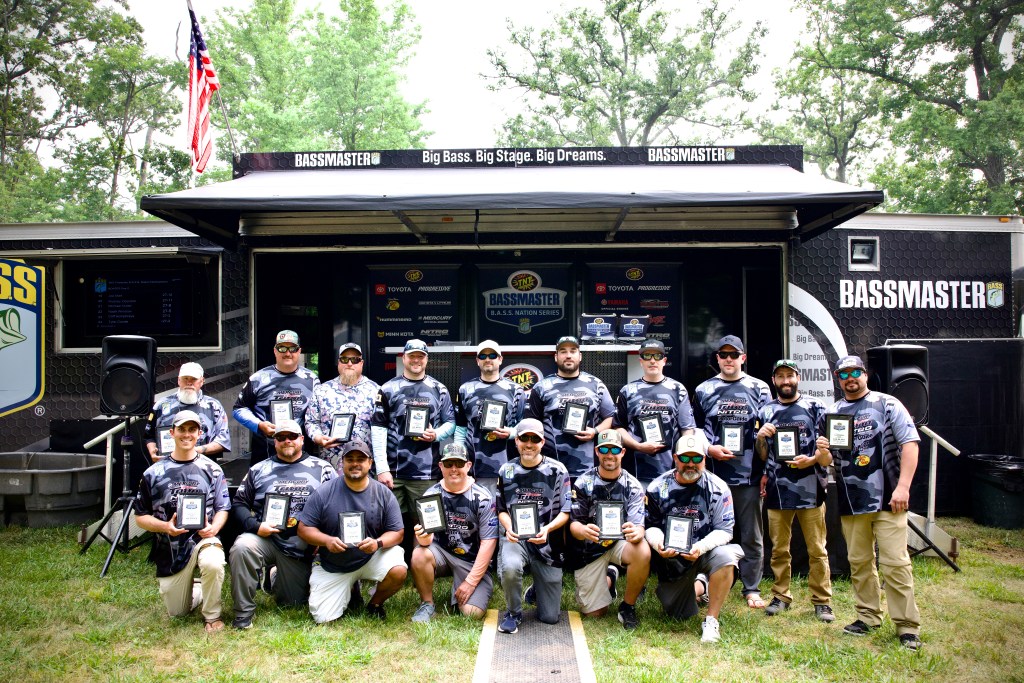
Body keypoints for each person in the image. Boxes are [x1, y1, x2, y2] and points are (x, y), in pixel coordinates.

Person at [826, 355, 923, 650]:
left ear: (865, 374)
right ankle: (867, 616)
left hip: (888, 498)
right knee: (859, 563)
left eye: (855, 372)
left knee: (895, 563)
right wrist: (821, 451)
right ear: (838, 378)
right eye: (844, 374)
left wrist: (903, 487)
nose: (850, 378)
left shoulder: (887, 404)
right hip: (852, 500)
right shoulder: (834, 412)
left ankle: (907, 627)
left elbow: (910, 444)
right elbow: (829, 458)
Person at [228, 418, 336, 629]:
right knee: (242, 547)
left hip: (302, 545)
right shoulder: (259, 469)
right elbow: (239, 503)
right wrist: (255, 526)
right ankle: (243, 614)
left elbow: (335, 506)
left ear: (302, 439)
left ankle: (273, 576)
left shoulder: (322, 468)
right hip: (266, 538)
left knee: (292, 603)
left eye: (292, 436)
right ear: (274, 441)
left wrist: (321, 539)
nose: (287, 441)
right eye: (281, 437)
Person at [132, 410, 231, 633]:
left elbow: (223, 508)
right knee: (177, 613)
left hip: (203, 539)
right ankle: (195, 589)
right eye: (182, 429)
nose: (187, 434)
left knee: (213, 562)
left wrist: (214, 528)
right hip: (171, 548)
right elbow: (140, 517)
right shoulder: (153, 473)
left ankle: (212, 615)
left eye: (192, 430)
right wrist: (165, 527)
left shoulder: (213, 470)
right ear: (172, 433)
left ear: (199, 434)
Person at [692, 334, 772, 609]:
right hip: (713, 476)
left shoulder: (760, 388)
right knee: (710, 532)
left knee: (751, 534)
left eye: (734, 354)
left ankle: (751, 588)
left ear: (743, 358)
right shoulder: (704, 389)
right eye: (723, 355)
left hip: (749, 475)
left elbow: (768, 431)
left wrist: (766, 470)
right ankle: (706, 581)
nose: (729, 359)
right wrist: (709, 449)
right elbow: (695, 429)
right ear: (717, 358)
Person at [754, 360, 835, 622]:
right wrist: (760, 437)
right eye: (780, 376)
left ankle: (822, 601)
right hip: (777, 489)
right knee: (779, 549)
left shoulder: (815, 407)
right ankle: (781, 595)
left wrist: (811, 460)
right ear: (774, 380)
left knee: (817, 549)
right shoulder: (765, 410)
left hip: (811, 488)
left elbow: (827, 450)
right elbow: (762, 456)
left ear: (798, 378)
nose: (786, 381)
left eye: (790, 375)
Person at [645, 432, 743, 643]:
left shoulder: (718, 488)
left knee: (727, 557)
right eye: (685, 458)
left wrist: (700, 547)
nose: (691, 464)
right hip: (673, 558)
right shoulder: (656, 488)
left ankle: (711, 620)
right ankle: (702, 585)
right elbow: (650, 526)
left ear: (704, 459)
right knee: (677, 613)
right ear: (675, 458)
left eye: (697, 458)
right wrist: (658, 543)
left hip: (705, 552)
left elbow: (725, 530)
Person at [297, 441, 407, 623]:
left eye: (360, 459)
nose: (355, 463)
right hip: (333, 565)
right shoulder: (324, 492)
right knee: (323, 618)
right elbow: (303, 528)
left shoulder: (383, 493)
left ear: (370, 463)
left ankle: (375, 604)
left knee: (398, 569)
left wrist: (377, 543)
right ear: (342, 462)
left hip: (369, 557)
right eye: (350, 459)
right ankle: (351, 587)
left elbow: (397, 532)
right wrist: (326, 541)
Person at [495, 418, 571, 634]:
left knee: (550, 618)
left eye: (534, 439)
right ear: (516, 441)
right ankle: (514, 612)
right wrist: (509, 528)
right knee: (510, 567)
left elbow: (566, 511)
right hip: (516, 538)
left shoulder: (558, 470)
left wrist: (547, 529)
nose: (529, 444)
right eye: (524, 438)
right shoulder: (506, 470)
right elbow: (501, 509)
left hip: (546, 541)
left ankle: (537, 589)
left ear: (542, 442)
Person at [568, 430, 650, 630]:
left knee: (642, 550)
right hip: (590, 548)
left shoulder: (633, 485)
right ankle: (611, 577)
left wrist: (636, 532)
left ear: (622, 452)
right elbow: (574, 526)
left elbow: (639, 527)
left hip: (618, 544)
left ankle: (628, 606)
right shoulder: (583, 483)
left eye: (614, 449)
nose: (609, 455)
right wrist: (583, 530)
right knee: (594, 614)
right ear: (597, 451)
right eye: (604, 450)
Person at [409, 442, 498, 622]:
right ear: (441, 466)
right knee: (419, 553)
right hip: (442, 553)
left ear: (468, 466)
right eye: (449, 464)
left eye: (459, 463)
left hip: (471, 560)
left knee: (471, 613)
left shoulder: (483, 498)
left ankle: (467, 585)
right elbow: (427, 543)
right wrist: (423, 537)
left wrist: (470, 582)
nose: (454, 469)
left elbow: (489, 543)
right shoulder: (430, 495)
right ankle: (427, 603)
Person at [370, 338, 456, 516]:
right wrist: (382, 469)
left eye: (420, 356)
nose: (416, 360)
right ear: (403, 358)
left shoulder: (439, 389)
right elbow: (378, 430)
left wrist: (436, 434)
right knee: (390, 524)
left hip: (426, 474)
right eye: (411, 356)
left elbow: (451, 423)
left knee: (426, 525)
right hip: (393, 473)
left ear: (427, 359)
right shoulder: (387, 389)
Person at [525, 335, 616, 480]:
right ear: (556, 357)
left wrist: (595, 431)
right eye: (563, 351)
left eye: (573, 351)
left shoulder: (596, 384)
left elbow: (612, 417)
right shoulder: (542, 387)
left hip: (588, 469)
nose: (568, 355)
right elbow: (531, 425)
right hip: (549, 468)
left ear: (580, 356)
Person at [614, 339, 696, 487]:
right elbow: (618, 427)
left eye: (657, 356)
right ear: (641, 361)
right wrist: (637, 446)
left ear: (664, 360)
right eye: (647, 356)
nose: (652, 360)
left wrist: (684, 459)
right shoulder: (628, 391)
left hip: (672, 472)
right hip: (636, 473)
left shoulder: (678, 389)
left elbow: (687, 429)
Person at [233, 330, 320, 464]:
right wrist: (259, 425)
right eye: (282, 348)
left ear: (299, 351)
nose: (287, 353)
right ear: (275, 351)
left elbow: (319, 414)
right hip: (265, 453)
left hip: (301, 455)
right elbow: (239, 409)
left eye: (292, 348)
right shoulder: (258, 378)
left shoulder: (312, 380)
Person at [454, 340, 526, 494]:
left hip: (508, 465)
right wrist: (459, 458)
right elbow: (460, 429)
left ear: (500, 359)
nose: (488, 359)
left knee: (504, 508)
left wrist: (510, 433)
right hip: (474, 467)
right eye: (483, 356)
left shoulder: (516, 390)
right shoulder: (465, 389)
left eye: (492, 355)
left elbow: (524, 427)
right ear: (477, 360)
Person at [305, 343, 380, 473]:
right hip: (330, 467)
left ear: (361, 363)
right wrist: (318, 437)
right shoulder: (322, 391)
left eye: (355, 360)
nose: (349, 364)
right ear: (338, 362)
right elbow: (311, 421)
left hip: (364, 469)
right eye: (344, 359)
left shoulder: (376, 391)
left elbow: (383, 428)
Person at [144, 362, 230, 462]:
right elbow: (148, 435)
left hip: (203, 466)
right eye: (185, 378)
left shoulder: (214, 406)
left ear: (202, 381)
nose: (189, 382)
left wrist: (192, 451)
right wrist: (152, 452)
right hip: (168, 466)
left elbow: (223, 441)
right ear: (178, 380)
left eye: (194, 379)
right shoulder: (161, 405)